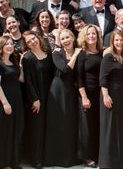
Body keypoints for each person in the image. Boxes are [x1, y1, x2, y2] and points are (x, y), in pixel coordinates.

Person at [44, 29, 82, 167]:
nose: (66, 40)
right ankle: (55, 158)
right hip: (58, 89)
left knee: (70, 123)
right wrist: (76, 54)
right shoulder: (57, 53)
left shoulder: (79, 52)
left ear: (73, 38)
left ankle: (69, 157)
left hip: (71, 90)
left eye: (68, 37)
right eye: (63, 38)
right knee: (57, 122)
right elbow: (65, 69)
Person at [0, 35, 24, 169]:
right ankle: (0, 163)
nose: (9, 46)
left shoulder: (13, 62)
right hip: (3, 101)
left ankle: (11, 161)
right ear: (1, 47)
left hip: (16, 100)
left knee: (14, 131)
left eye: (11, 44)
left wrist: (21, 64)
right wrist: (5, 103)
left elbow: (21, 79)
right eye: (6, 44)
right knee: (3, 132)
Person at [21, 31, 55, 168]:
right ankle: (36, 159)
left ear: (38, 38)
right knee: (37, 128)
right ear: (27, 45)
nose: (32, 42)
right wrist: (34, 99)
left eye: (33, 38)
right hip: (36, 98)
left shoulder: (49, 53)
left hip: (51, 96)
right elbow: (27, 80)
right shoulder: (28, 58)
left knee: (48, 127)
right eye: (29, 41)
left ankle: (47, 157)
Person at [99, 29, 123, 169]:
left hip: (122, 94)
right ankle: (108, 163)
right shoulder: (108, 56)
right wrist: (106, 96)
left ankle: (122, 162)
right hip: (110, 94)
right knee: (110, 128)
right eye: (116, 40)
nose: (119, 42)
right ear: (112, 42)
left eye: (121, 40)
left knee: (121, 128)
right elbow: (103, 78)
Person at [76, 25, 103, 168]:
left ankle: (98, 154)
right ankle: (87, 157)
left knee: (98, 125)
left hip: (100, 94)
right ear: (84, 37)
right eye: (89, 34)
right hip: (86, 94)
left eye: (94, 34)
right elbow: (79, 78)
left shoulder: (101, 53)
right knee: (86, 127)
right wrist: (84, 97)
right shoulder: (82, 54)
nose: (91, 36)